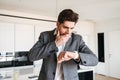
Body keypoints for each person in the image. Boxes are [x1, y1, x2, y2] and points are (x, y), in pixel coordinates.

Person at [29, 9, 98, 80]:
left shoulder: (77, 39)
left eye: (71, 28)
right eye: (65, 27)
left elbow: (94, 60)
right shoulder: (45, 36)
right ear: (57, 24)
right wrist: (55, 44)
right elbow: (31, 56)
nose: (69, 32)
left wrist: (75, 55)